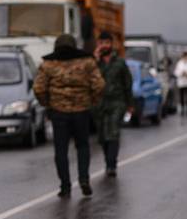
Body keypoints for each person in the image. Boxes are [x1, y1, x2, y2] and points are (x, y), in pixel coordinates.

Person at [33, 34, 104, 197]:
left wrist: (47, 103)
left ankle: (65, 186)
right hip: (81, 111)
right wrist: (91, 100)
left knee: (61, 150)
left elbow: (38, 88)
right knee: (83, 146)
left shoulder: (48, 64)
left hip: (58, 112)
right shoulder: (87, 62)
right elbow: (99, 85)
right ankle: (84, 179)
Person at [92, 31, 133, 177]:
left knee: (113, 133)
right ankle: (107, 160)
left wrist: (130, 103)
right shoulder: (94, 63)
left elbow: (127, 83)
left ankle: (112, 165)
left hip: (117, 102)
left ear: (111, 44)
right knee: (103, 136)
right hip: (99, 104)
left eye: (107, 43)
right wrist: (95, 60)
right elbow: (88, 79)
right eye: (101, 43)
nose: (104, 46)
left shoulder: (120, 63)